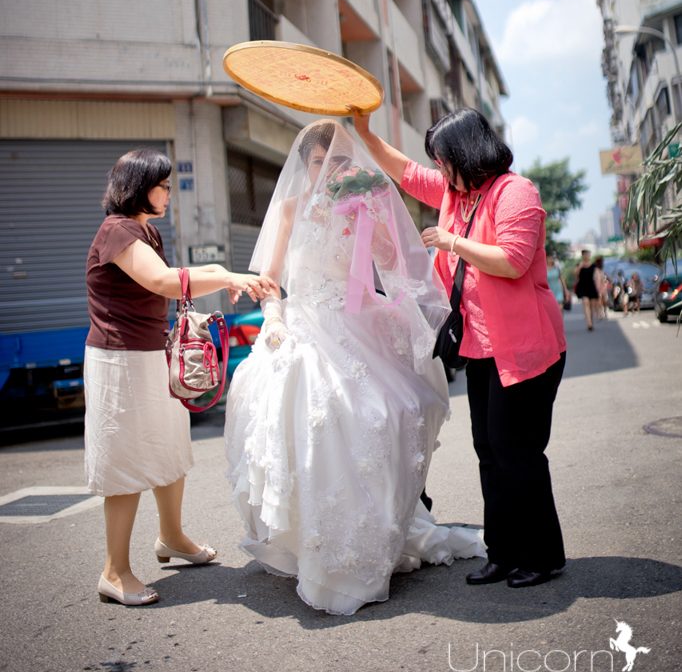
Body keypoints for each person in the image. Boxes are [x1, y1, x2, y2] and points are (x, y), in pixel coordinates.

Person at [224, 120, 485, 615]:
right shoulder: (288, 208)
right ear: (306, 167)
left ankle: (370, 535)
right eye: (320, 163)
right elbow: (270, 280)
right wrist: (274, 320)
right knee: (317, 416)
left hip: (356, 324)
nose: (329, 171)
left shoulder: (364, 202)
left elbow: (395, 263)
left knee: (388, 411)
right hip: (305, 323)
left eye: (339, 162)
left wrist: (370, 216)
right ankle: (315, 544)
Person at [354, 106, 567, 589]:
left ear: (465, 154)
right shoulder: (458, 194)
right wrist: (365, 132)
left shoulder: (516, 193)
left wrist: (450, 242)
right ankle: (503, 552)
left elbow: (512, 261)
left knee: (520, 454)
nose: (439, 169)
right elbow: (405, 172)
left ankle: (543, 555)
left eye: (443, 159)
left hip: (526, 349)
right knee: (489, 450)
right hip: (481, 349)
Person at [85, 147, 276, 606]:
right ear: (138, 185)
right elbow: (164, 283)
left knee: (170, 449)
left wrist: (232, 277)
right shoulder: (118, 231)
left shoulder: (145, 230)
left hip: (151, 355)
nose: (169, 192)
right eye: (163, 184)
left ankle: (171, 537)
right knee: (126, 463)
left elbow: (180, 273)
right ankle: (114, 571)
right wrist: (228, 276)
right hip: (120, 360)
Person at [574, 249, 600, 331]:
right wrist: (580, 267)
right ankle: (589, 323)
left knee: (591, 305)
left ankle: (590, 320)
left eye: (588, 254)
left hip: (591, 286)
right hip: (582, 286)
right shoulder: (579, 265)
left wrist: (598, 288)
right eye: (585, 255)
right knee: (585, 303)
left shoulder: (593, 266)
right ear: (582, 256)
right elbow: (575, 274)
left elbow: (597, 277)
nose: (587, 256)